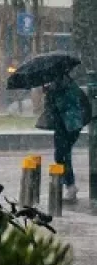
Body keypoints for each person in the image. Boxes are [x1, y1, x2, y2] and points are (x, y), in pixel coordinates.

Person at [41, 73, 92, 202]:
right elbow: (51, 110)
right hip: (65, 125)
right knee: (62, 155)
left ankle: (70, 185)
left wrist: (51, 93)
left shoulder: (66, 86)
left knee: (62, 155)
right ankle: (69, 185)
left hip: (69, 125)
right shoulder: (59, 85)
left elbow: (65, 106)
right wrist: (48, 94)